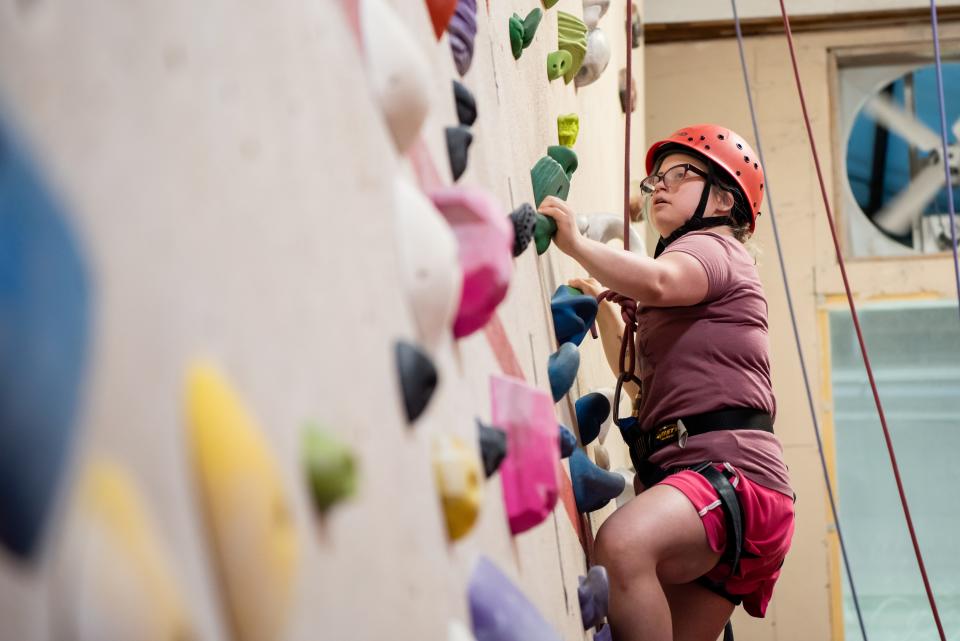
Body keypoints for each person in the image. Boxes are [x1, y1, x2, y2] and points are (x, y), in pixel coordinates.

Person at [538, 124, 795, 641]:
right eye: (655, 178)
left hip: (729, 478)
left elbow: (657, 280)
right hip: (736, 493)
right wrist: (606, 305)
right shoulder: (685, 289)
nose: (659, 186)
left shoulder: (715, 249)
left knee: (622, 546)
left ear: (723, 200)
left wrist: (577, 243)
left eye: (679, 175)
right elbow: (637, 375)